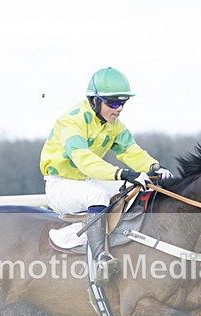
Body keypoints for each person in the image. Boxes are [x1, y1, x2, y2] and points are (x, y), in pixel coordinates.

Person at [40, 67, 173, 286]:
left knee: (139, 188)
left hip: (87, 180)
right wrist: (121, 172)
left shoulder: (114, 125)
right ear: (94, 101)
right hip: (61, 184)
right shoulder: (71, 122)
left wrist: (154, 167)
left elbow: (131, 151)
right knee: (96, 196)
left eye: (122, 103)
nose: (118, 108)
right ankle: (100, 258)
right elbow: (83, 159)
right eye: (112, 103)